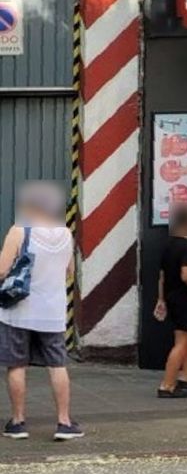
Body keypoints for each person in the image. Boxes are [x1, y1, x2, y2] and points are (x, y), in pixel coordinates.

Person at [0, 182, 83, 440]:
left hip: (18, 310)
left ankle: (18, 422)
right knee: (57, 365)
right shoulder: (65, 234)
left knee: (16, 365)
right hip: (53, 312)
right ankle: (64, 422)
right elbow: (70, 271)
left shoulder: (20, 230)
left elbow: (2, 270)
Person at [154, 203, 187, 398]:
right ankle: (167, 385)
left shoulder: (168, 246)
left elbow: (162, 276)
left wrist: (161, 299)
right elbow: (186, 275)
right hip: (186, 298)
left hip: (172, 296)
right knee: (182, 341)